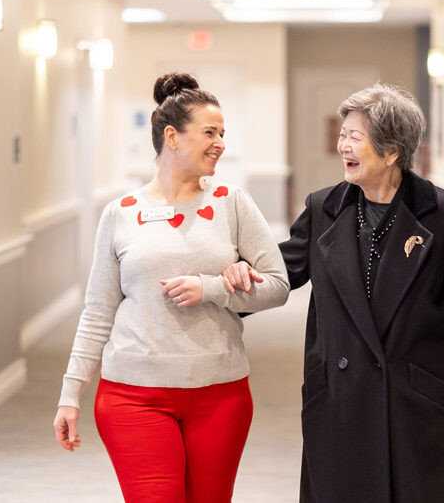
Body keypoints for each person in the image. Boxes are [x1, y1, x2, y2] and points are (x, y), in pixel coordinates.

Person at [224, 83, 444, 503]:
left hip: (411, 396)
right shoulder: (323, 207)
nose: (343, 145)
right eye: (343, 134)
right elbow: (281, 273)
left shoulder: (442, 213)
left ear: (392, 151)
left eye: (354, 137)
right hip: (338, 394)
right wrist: (232, 282)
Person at [53, 72, 290, 503]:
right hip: (133, 396)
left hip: (221, 394)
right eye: (209, 132)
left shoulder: (231, 201)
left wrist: (214, 288)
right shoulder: (120, 213)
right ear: (172, 137)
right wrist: (71, 395)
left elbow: (277, 286)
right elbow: (97, 311)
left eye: (223, 133)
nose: (220, 142)